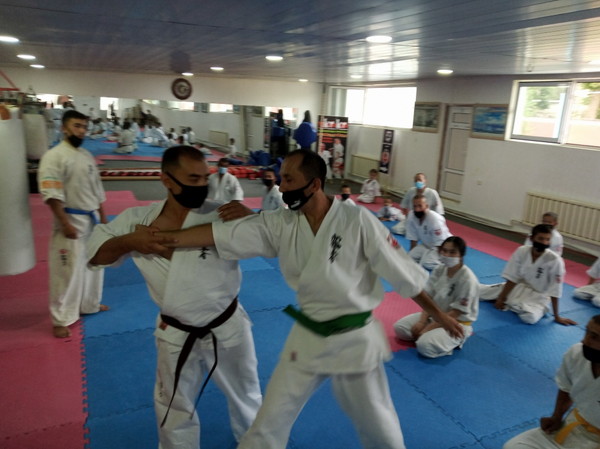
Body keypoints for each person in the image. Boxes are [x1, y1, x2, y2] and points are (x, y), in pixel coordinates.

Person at [157, 149, 463, 449]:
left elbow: (404, 275)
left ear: (314, 184)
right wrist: (162, 238)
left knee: (377, 423)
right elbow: (217, 235)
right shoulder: (283, 221)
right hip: (309, 332)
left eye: (289, 180)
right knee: (271, 416)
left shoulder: (357, 220)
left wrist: (440, 316)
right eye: (281, 178)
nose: (281, 187)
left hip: (354, 338)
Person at [87, 145, 262, 449]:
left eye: (205, 178)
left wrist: (255, 220)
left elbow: (276, 242)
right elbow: (96, 255)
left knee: (247, 394)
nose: (201, 186)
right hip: (175, 332)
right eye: (193, 179)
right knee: (172, 405)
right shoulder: (137, 219)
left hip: (227, 325)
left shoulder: (224, 213)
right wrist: (130, 241)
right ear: (167, 180)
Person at [37, 109, 109, 338]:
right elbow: (52, 195)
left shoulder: (86, 155)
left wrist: (104, 218)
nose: (81, 131)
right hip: (70, 220)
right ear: (64, 128)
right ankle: (61, 318)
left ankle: (89, 304)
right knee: (67, 271)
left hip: (92, 219)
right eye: (77, 126)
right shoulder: (54, 156)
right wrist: (65, 223)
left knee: (94, 265)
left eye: (84, 127)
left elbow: (97, 191)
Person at [502, 315, 600, 449]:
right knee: (513, 446)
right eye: (586, 332)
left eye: (594, 337)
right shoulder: (576, 353)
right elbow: (566, 387)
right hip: (574, 426)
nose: (584, 340)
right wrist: (557, 417)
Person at [394, 236, 479, 358]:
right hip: (435, 314)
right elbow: (428, 299)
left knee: (424, 346)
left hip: (456, 323)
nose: (447, 255)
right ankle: (431, 336)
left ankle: (456, 341)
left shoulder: (468, 280)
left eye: (452, 252)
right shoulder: (439, 269)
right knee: (400, 328)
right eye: (444, 251)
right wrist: (422, 321)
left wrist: (427, 329)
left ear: (461, 255)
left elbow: (456, 312)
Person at [479, 224, 576, 326]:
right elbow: (512, 277)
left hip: (537, 296)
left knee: (530, 318)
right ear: (532, 238)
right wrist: (501, 298)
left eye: (547, 239)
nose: (544, 242)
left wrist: (557, 316)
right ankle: (510, 302)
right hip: (517, 287)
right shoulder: (522, 251)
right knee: (478, 291)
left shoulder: (555, 260)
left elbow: (555, 289)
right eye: (541, 238)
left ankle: (520, 305)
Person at [406, 194, 452, 270]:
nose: (417, 209)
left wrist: (442, 257)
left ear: (427, 206)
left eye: (420, 206)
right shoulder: (411, 216)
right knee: (409, 257)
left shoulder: (434, 219)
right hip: (426, 245)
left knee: (427, 263)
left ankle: (447, 268)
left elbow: (440, 242)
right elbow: (413, 239)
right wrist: (412, 252)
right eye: (415, 206)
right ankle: (428, 257)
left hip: (443, 247)